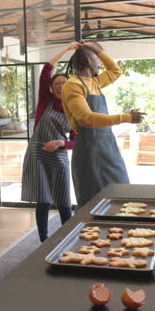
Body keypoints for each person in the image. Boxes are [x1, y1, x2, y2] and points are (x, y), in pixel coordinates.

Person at [62, 40, 145, 211]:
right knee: (93, 202)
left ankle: (119, 231)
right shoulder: (73, 85)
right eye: (96, 58)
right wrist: (126, 117)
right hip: (89, 150)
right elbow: (86, 118)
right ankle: (91, 235)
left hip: (108, 147)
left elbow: (116, 70)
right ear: (87, 59)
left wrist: (96, 50)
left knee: (121, 191)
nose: (100, 62)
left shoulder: (95, 82)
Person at [21, 42, 80, 242]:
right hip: (37, 154)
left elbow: (76, 141)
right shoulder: (45, 100)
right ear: (51, 87)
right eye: (56, 83)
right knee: (43, 200)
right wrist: (66, 49)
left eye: (64, 83)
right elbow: (47, 70)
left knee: (64, 200)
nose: (60, 86)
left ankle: (68, 238)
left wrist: (61, 143)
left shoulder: (74, 108)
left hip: (59, 155)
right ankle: (43, 241)